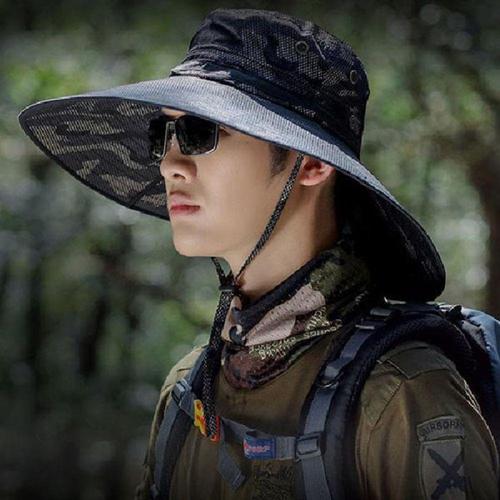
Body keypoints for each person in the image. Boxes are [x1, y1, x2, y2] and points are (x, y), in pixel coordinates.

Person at [17, 7, 499, 500]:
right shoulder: (189, 392)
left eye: (201, 133)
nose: (169, 165)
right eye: (163, 136)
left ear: (309, 164)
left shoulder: (401, 392)